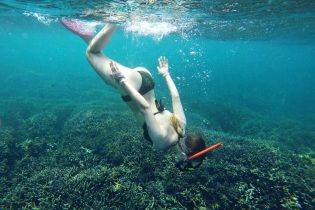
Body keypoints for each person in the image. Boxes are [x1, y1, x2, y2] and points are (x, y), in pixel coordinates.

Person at [60, 19, 208, 170]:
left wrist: (165, 74)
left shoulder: (182, 127)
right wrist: (123, 81)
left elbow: (175, 97)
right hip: (132, 88)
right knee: (91, 54)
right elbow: (144, 108)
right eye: (188, 165)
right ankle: (116, 17)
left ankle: (86, 34)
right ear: (184, 157)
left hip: (147, 81)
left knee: (100, 62)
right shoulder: (162, 142)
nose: (184, 166)